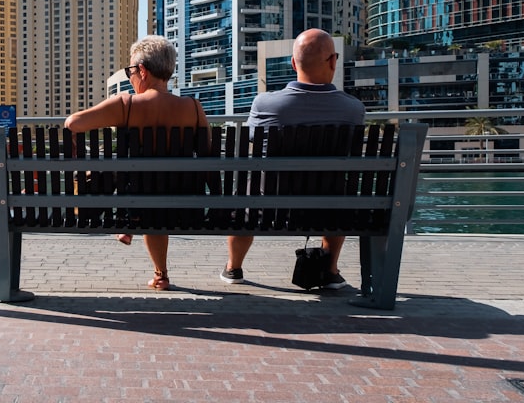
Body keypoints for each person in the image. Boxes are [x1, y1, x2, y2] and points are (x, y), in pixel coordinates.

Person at [220, 28, 366, 290]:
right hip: (331, 208)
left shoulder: (265, 103)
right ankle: (330, 270)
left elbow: (253, 140)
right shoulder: (353, 109)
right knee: (338, 192)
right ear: (333, 61)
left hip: (267, 209)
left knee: (244, 197)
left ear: (293, 63)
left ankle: (233, 267)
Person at [64, 35, 207, 291]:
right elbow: (207, 152)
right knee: (155, 196)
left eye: (130, 70)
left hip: (137, 203)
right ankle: (160, 274)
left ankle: (127, 223)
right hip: (184, 206)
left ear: (142, 70)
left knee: (135, 181)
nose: (130, 76)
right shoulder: (193, 108)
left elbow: (73, 123)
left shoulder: (126, 104)